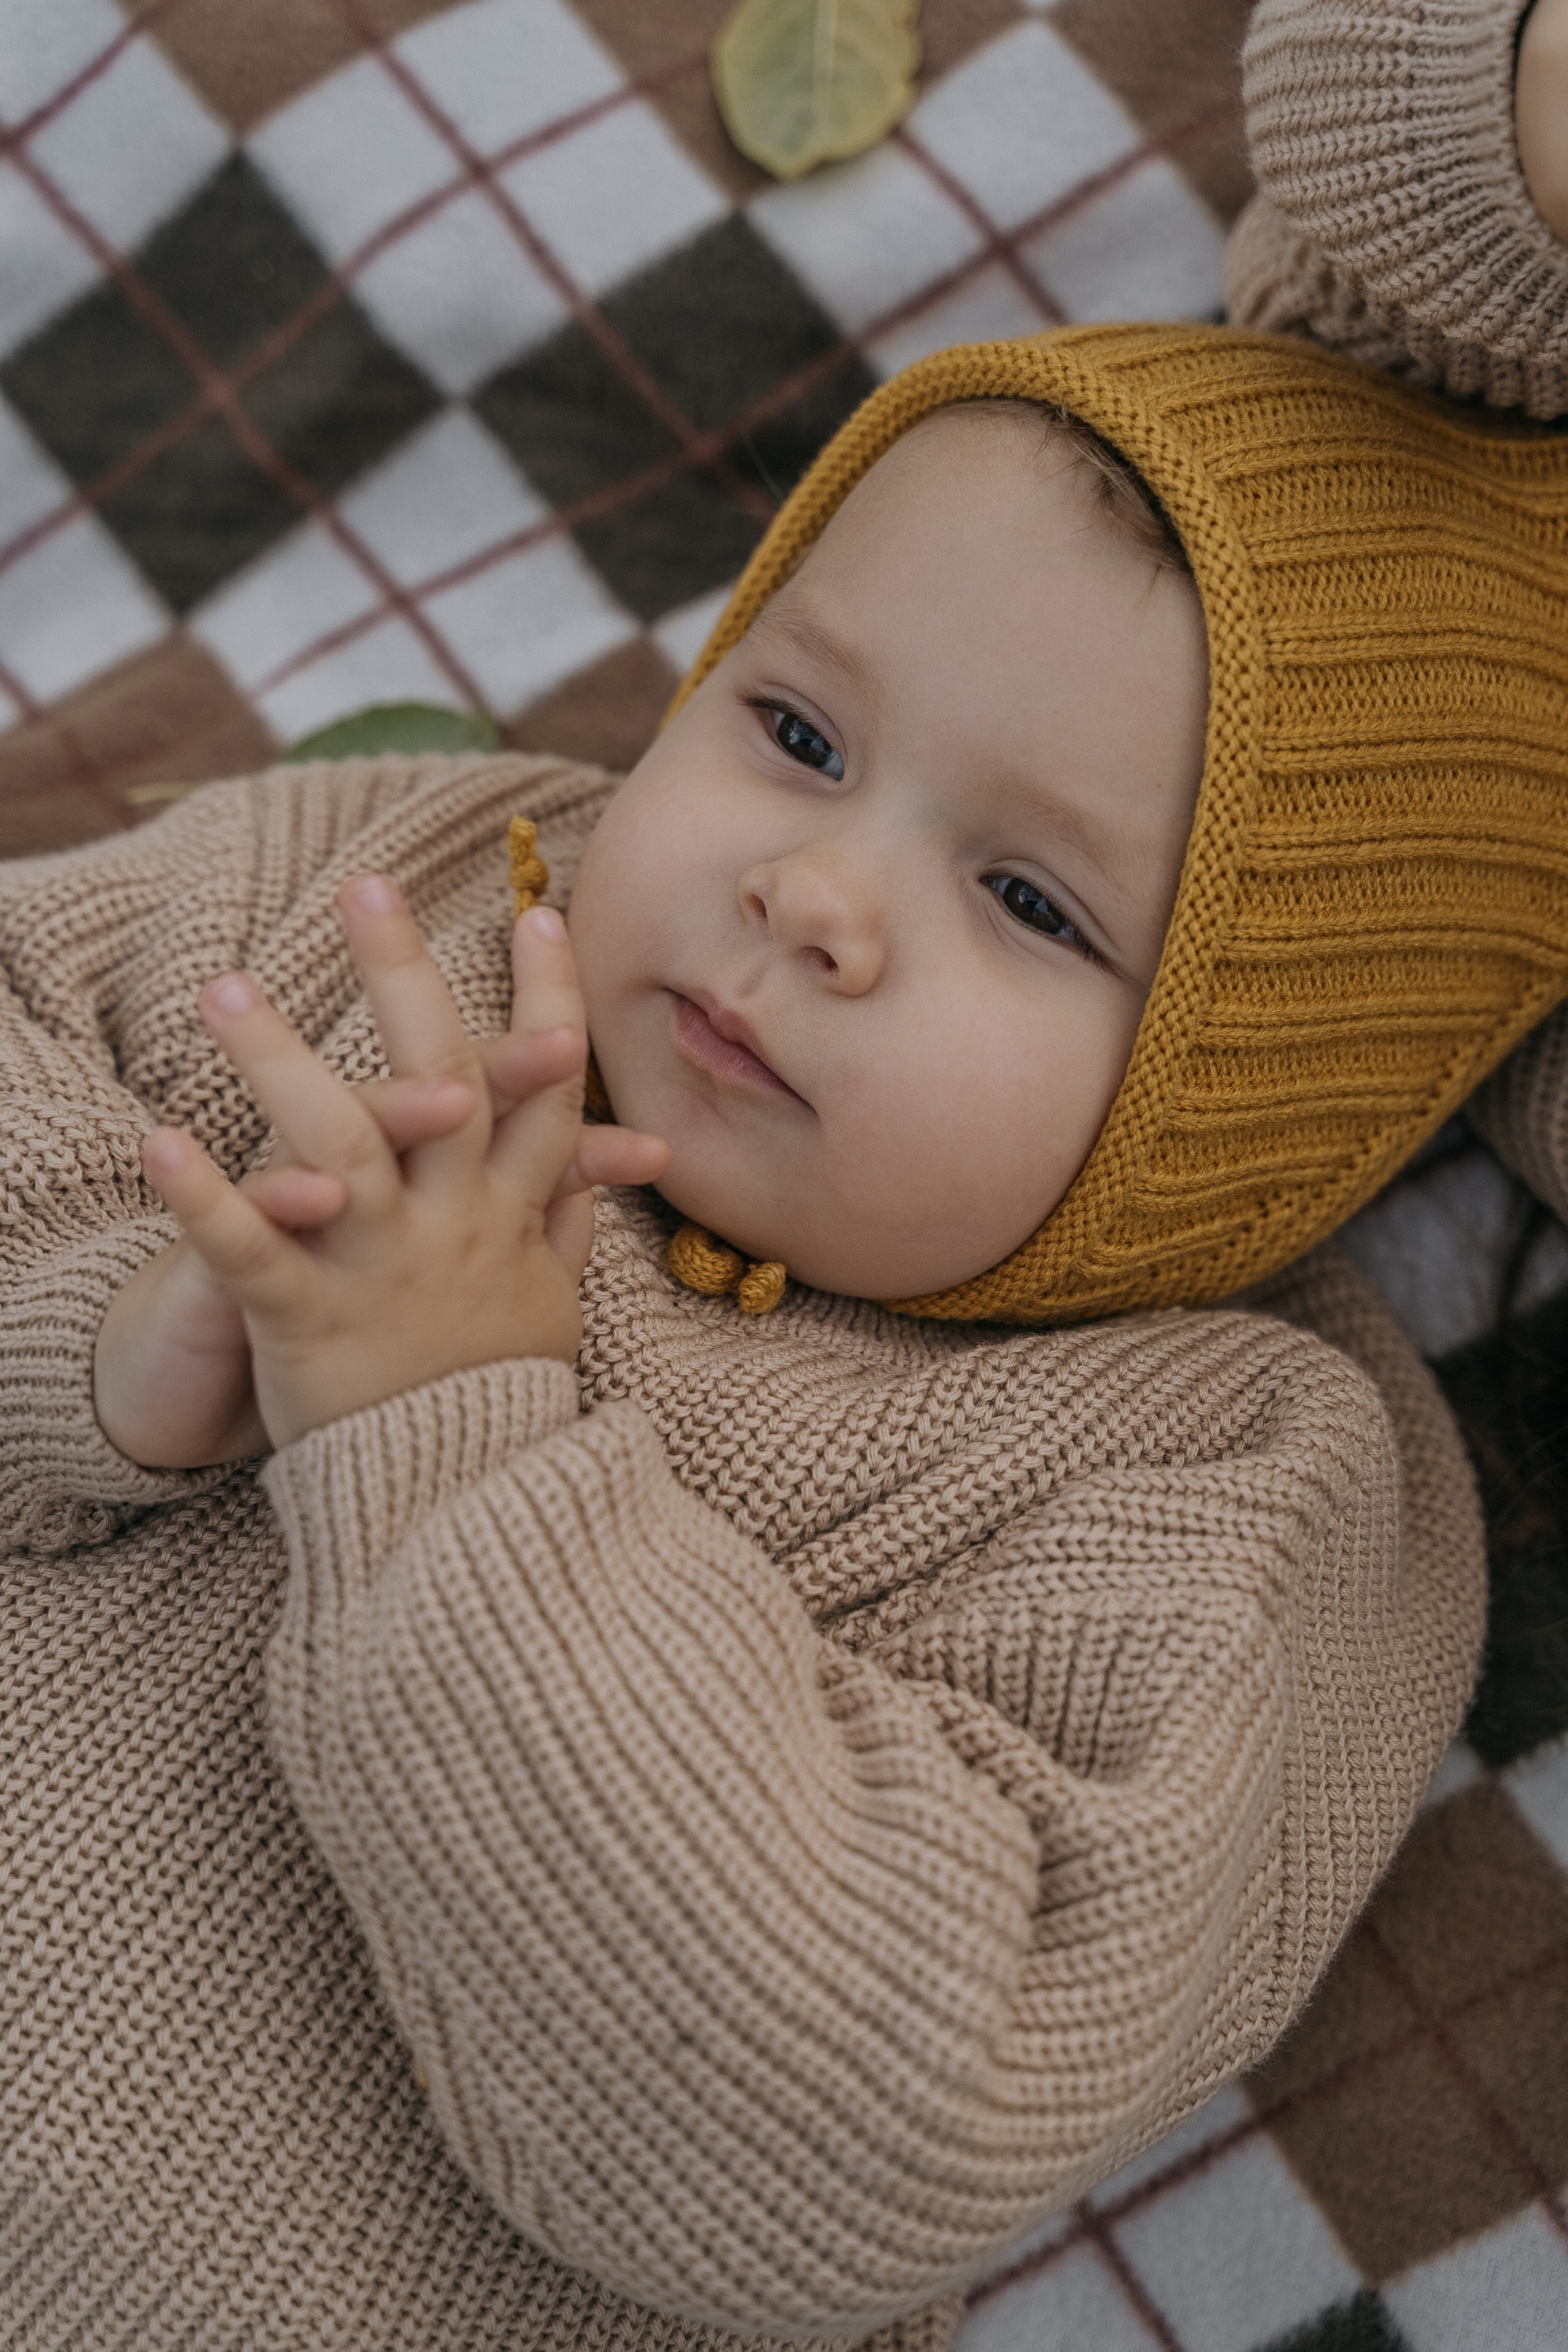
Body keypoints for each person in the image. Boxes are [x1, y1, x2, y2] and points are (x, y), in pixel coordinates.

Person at [3, 15, 1566, 2352]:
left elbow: (851, 2128)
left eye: (1034, 904)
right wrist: (126, 1345)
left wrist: (449, 1459)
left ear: (1254, 1102)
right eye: (800, 731)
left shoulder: (1237, 1483)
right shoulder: (423, 888)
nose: (816, 895)